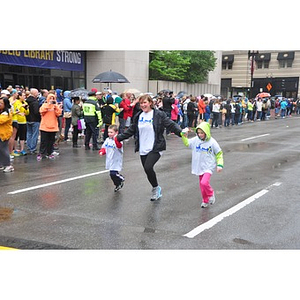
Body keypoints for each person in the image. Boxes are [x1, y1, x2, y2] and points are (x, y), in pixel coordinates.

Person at [116, 94, 185, 201]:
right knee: (147, 170)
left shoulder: (158, 114)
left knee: (148, 167)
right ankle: (156, 187)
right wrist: (119, 138)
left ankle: (156, 189)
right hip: (143, 148)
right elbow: (132, 129)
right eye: (141, 103)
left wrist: (180, 132)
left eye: (145, 102)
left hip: (156, 146)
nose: (143, 105)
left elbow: (170, 124)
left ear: (150, 103)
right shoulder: (139, 116)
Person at [181, 121, 224, 208]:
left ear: (206, 132)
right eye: (198, 133)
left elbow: (219, 153)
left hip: (208, 166)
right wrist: (183, 136)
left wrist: (220, 165)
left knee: (204, 182)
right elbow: (187, 143)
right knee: (202, 185)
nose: (200, 135)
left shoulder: (212, 142)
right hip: (199, 166)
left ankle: (211, 193)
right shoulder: (196, 140)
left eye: (202, 133)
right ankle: (205, 200)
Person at [99, 124, 125, 192]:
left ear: (116, 132)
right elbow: (104, 147)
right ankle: (118, 184)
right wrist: (102, 151)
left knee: (113, 173)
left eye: (111, 132)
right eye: (108, 132)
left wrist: (116, 139)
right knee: (111, 174)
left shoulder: (118, 140)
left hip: (116, 159)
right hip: (109, 159)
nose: (109, 134)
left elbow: (119, 146)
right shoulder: (107, 140)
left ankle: (121, 178)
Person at [37, 93, 62, 160]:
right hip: (45, 126)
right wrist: (49, 104)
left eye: (53, 98)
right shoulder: (44, 105)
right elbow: (41, 111)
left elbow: (59, 113)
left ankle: (49, 153)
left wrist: (56, 106)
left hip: (53, 126)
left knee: (51, 141)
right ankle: (42, 153)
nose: (52, 100)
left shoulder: (55, 106)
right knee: (43, 141)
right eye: (50, 98)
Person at [0, 96, 14, 172]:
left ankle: (8, 165)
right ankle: (1, 164)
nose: (0, 104)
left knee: (3, 148)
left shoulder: (7, 113)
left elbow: (1, 121)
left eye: (1, 103)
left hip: (4, 134)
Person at [26, 88, 41, 154]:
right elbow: (36, 112)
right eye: (37, 93)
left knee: (29, 133)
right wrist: (39, 116)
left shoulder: (26, 101)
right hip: (35, 120)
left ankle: (29, 147)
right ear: (34, 93)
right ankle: (33, 148)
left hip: (27, 119)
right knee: (35, 134)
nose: (38, 94)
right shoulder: (35, 102)